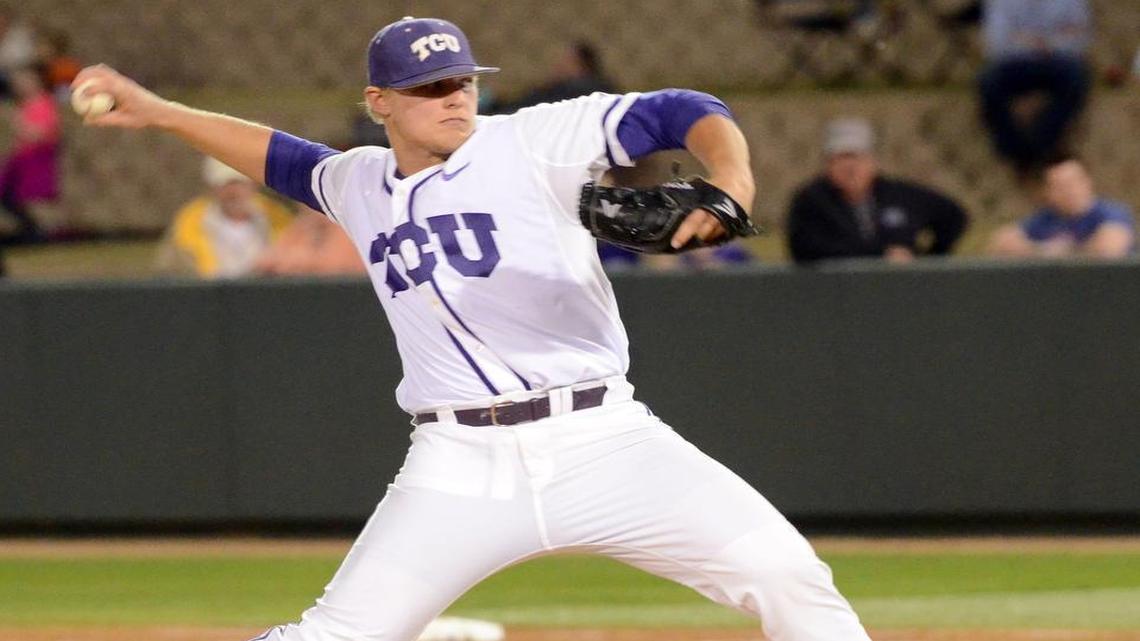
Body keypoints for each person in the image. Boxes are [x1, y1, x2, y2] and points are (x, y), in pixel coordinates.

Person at [72, 15, 871, 641]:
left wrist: (729, 174)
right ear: (379, 103)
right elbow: (279, 158)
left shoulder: (531, 141)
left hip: (606, 439)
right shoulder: (357, 181)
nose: (456, 96)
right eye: (430, 85)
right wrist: (161, 113)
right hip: (461, 461)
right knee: (339, 631)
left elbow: (682, 111)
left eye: (462, 78)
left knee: (788, 578)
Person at [786, 117, 968, 264]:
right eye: (841, 158)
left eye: (857, 157)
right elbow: (805, 248)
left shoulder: (898, 195)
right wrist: (880, 255)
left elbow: (953, 216)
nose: (850, 167)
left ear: (873, 161)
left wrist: (926, 261)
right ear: (828, 164)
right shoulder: (812, 201)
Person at [976, 0, 1092, 168]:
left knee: (1077, 79)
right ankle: (1014, 149)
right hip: (1014, 63)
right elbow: (998, 43)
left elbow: (1081, 37)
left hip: (1058, 62)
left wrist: (1029, 39)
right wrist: (1053, 39)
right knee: (988, 82)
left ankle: (1040, 145)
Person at [155, 157, 293, 278]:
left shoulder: (280, 220)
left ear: (253, 184)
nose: (233, 192)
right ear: (212, 187)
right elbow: (168, 273)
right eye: (225, 184)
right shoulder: (187, 226)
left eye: (238, 183)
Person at [987, 153, 1134, 258]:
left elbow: (1108, 251)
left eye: (1073, 182)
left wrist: (1054, 252)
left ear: (1087, 182)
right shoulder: (1045, 219)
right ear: (1047, 193)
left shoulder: (1111, 213)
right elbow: (1000, 244)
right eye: (1060, 186)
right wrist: (1046, 251)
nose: (1069, 191)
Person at [0, 67, 59, 242]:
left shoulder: (44, 103)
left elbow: (42, 134)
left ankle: (34, 231)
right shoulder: (25, 105)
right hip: (20, 160)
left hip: (34, 160)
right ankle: (30, 229)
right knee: (8, 197)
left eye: (25, 80)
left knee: (20, 198)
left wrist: (17, 122)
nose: (21, 84)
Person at [493, 41, 616, 113]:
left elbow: (528, 109)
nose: (558, 66)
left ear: (582, 65)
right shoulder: (559, 88)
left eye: (567, 61)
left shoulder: (580, 90)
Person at [254, 207, 367, 276]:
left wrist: (297, 262)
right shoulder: (300, 227)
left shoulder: (349, 229)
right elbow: (265, 262)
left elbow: (336, 267)